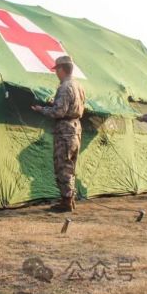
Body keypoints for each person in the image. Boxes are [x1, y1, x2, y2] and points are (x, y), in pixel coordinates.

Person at [31, 55, 86, 212]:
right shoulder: (78, 86)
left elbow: (59, 112)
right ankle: (69, 199)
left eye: (57, 70)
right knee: (70, 165)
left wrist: (42, 109)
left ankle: (66, 202)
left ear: (62, 69)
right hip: (76, 127)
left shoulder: (64, 87)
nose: (56, 73)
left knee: (62, 165)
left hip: (65, 130)